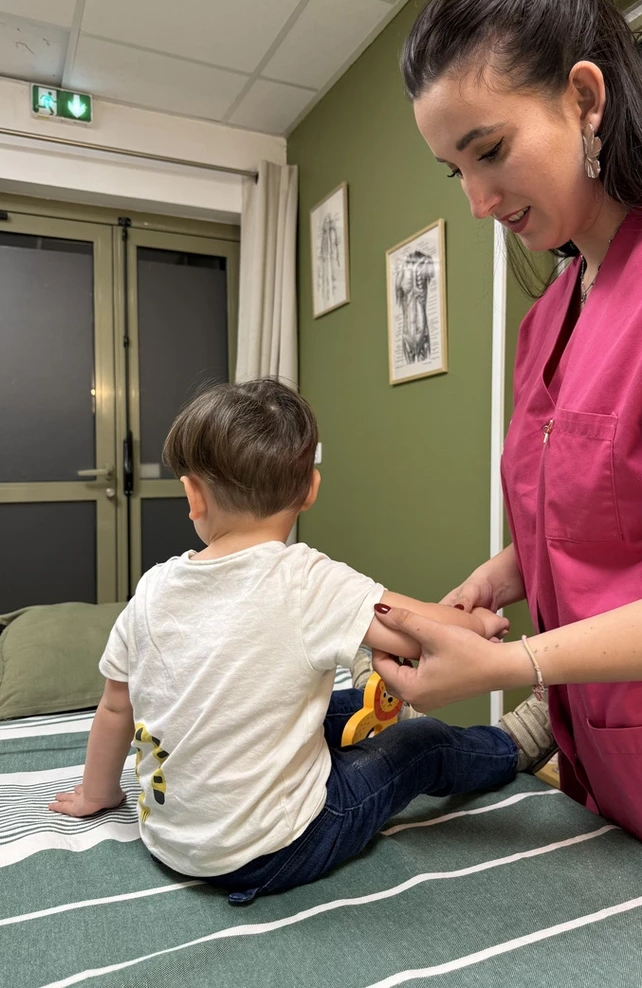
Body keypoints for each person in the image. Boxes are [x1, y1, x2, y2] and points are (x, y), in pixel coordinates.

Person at [372, 0, 642, 897]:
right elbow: (615, 505)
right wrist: (502, 575)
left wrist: (514, 662)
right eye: (456, 171)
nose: (477, 201)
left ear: (585, 99)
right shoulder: (551, 315)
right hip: (603, 785)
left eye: (490, 151)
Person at [49, 380, 519, 902]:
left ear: (193, 495)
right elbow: (417, 632)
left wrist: (97, 792)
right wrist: (479, 625)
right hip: (276, 850)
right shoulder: (305, 579)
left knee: (335, 706)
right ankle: (512, 746)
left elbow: (116, 705)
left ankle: (377, 704)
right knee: (422, 743)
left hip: (170, 839)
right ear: (310, 489)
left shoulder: (153, 587)